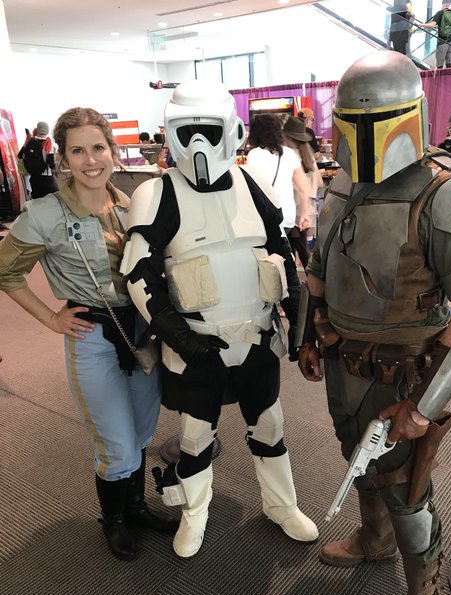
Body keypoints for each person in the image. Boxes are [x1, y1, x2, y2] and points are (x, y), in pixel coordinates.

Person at [297, 51, 451, 595]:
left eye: (374, 122)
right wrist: (308, 334)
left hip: (406, 373)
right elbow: (319, 265)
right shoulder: (340, 183)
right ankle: (373, 537)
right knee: (357, 456)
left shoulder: (445, 191)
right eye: (350, 122)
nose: (361, 137)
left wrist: (425, 406)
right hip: (342, 360)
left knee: (408, 491)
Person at [121, 80, 318, 559]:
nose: (198, 145)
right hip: (196, 343)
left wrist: (299, 321)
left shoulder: (252, 184)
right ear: (170, 133)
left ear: (232, 131)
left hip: (257, 335)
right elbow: (138, 276)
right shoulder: (157, 194)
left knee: (269, 427)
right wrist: (182, 339)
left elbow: (281, 253)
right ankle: (195, 515)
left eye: (208, 131)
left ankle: (282, 505)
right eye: (186, 132)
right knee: (194, 438)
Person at [0, 107, 176, 562]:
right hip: (92, 337)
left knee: (141, 430)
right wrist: (49, 318)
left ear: (112, 151)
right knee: (115, 442)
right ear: (63, 157)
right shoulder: (45, 215)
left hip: (143, 332)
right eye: (77, 151)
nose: (90, 159)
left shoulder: (132, 205)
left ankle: (135, 507)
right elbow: (6, 271)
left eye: (98, 147)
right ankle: (113, 519)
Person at [246, 113, 310, 236]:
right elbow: (303, 187)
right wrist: (304, 214)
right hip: (286, 215)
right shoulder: (289, 154)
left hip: (262, 216)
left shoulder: (253, 155)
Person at [282, 116, 323, 269]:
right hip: (309, 208)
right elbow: (320, 183)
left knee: (292, 251)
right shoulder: (309, 156)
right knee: (304, 250)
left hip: (293, 207)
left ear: (286, 136)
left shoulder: (286, 155)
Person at [17, 121, 59, 199]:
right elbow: (51, 164)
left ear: (38, 130)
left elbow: (20, 155)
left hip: (34, 178)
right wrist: (56, 169)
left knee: (37, 200)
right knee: (52, 199)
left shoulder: (29, 142)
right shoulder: (49, 144)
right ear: (47, 131)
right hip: (46, 179)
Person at [415, 0, 451, 68]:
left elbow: (432, 25)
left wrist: (420, 25)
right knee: (450, 65)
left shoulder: (440, 13)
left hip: (442, 41)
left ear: (442, 3)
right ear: (449, 4)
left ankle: (440, 75)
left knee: (440, 65)